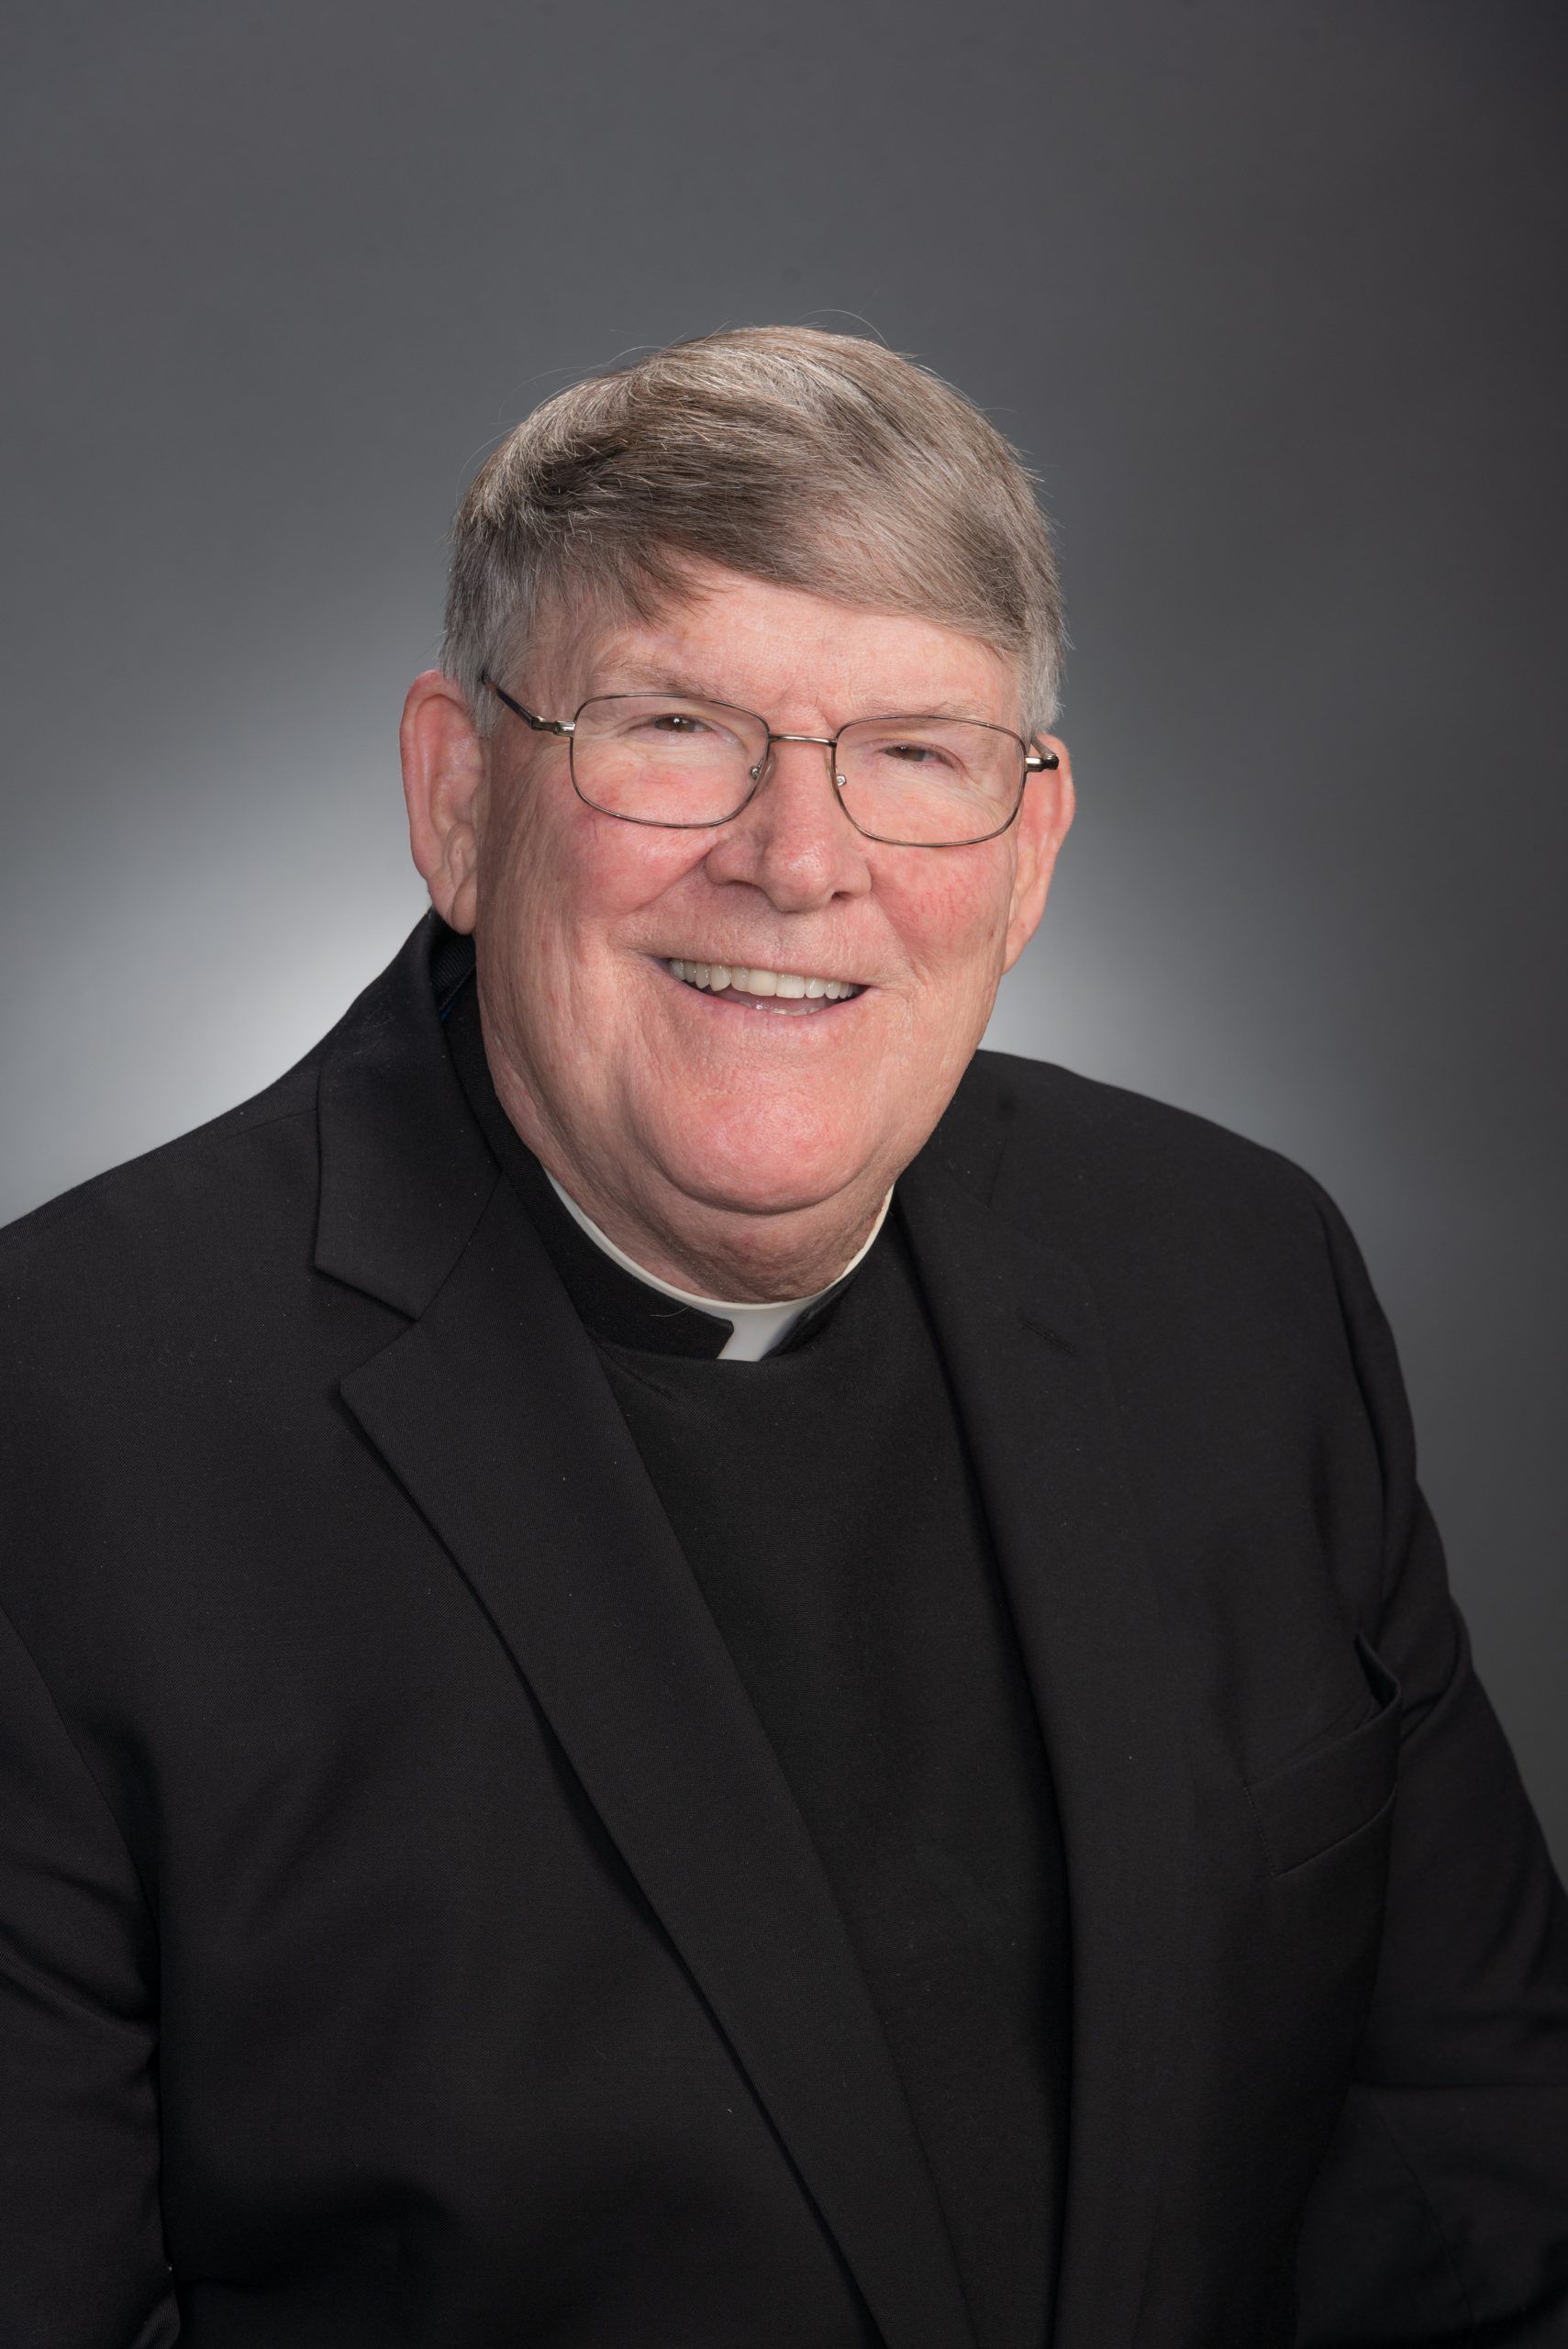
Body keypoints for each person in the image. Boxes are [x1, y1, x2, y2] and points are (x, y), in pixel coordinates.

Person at [0, 326, 1563, 2349]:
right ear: (459, 797)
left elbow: (1479, 2177)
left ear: (1028, 851)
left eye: (913, 752)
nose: (800, 861)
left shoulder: (1236, 1276)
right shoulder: (67, 1425)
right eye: (676, 727)